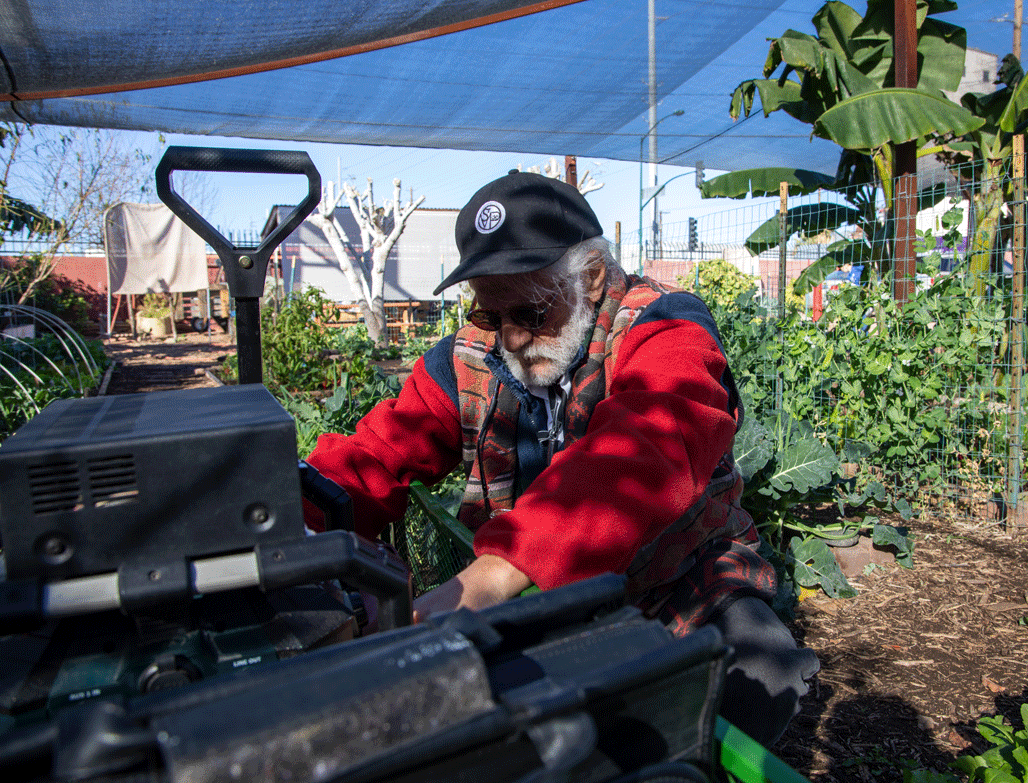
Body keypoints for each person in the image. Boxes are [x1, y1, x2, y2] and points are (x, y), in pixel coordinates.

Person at [302, 170, 819, 746]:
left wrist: (492, 575)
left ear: (592, 276)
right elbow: (376, 454)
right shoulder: (464, 360)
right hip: (539, 592)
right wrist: (299, 528)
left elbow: (644, 451)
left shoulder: (665, 328)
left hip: (676, 578)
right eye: (491, 317)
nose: (512, 340)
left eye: (530, 313)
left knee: (760, 673)